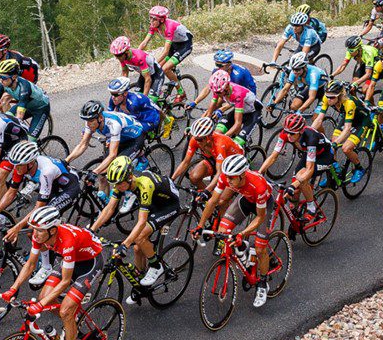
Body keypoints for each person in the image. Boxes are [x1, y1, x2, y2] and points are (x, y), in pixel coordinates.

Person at [0, 207, 105, 340]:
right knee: (44, 298)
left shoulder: (68, 241)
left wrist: (39, 307)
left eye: (39, 230)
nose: (35, 233)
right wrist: (13, 288)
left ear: (53, 230)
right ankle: (73, 321)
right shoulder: (40, 235)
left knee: (64, 311)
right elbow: (31, 264)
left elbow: (65, 281)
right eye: (34, 229)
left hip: (90, 263)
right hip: (70, 260)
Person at [194, 154, 275, 308]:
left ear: (242, 175)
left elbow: (259, 217)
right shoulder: (226, 177)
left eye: (232, 178)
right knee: (223, 231)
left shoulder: (258, 185)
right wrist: (201, 225)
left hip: (264, 204)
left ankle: (263, 283)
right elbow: (213, 201)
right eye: (227, 177)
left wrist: (241, 233)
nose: (228, 180)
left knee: (260, 249)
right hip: (246, 199)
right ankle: (244, 250)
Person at [92, 155, 181, 292]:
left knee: (139, 237)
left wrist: (124, 245)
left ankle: (157, 266)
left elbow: (141, 222)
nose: (116, 187)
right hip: (154, 202)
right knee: (137, 248)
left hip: (168, 206)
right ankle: (140, 281)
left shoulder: (144, 184)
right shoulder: (121, 182)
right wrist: (91, 229)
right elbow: (109, 208)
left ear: (129, 177)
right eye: (115, 184)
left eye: (119, 184)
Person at [0, 140, 78, 229]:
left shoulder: (46, 172)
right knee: (36, 226)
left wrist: (16, 228)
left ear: (30, 163)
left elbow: (39, 207)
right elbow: (11, 193)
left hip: (69, 188)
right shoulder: (21, 167)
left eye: (19, 165)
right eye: (15, 165)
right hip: (53, 184)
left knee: (36, 227)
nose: (15, 168)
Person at [261, 112, 335, 211]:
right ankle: (295, 211)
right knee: (294, 190)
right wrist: (259, 172)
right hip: (308, 153)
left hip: (324, 156)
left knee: (301, 178)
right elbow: (273, 156)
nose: (288, 135)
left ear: (300, 131)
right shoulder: (286, 134)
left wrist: (293, 185)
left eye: (292, 133)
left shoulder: (311, 138)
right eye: (286, 131)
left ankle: (311, 207)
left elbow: (310, 169)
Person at [67, 100, 145, 173]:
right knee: (102, 175)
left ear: (100, 118)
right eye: (87, 120)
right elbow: (82, 145)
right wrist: (65, 161)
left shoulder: (114, 124)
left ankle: (142, 161)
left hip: (135, 138)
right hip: (119, 137)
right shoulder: (90, 121)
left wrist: (95, 172)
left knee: (117, 171)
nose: (87, 124)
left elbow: (112, 155)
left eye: (90, 121)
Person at [174, 116, 244, 191]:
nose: (197, 142)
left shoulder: (220, 144)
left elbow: (219, 172)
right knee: (193, 177)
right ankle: (208, 199)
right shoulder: (195, 140)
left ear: (209, 137)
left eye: (200, 140)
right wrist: (172, 179)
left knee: (222, 200)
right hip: (215, 158)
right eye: (196, 138)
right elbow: (185, 162)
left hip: (232, 161)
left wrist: (207, 191)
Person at [0, 57, 52, 138]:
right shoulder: (2, 85)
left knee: (30, 140)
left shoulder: (24, 88)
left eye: (3, 78)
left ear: (14, 77)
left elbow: (19, 116)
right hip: (26, 105)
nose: (1, 81)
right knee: (4, 121)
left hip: (40, 109)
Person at [142, 5, 194, 99]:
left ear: (161, 20)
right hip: (174, 44)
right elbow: (145, 42)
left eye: (154, 19)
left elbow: (165, 51)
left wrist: (154, 63)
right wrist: (136, 54)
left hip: (185, 45)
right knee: (157, 69)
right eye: (150, 18)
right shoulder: (154, 25)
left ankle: (181, 93)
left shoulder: (169, 27)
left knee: (165, 68)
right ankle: (158, 88)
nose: (151, 21)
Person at [322, 81, 375, 171]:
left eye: (332, 97)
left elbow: (347, 129)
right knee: (332, 142)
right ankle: (334, 169)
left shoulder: (349, 103)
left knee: (346, 148)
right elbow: (319, 118)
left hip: (361, 121)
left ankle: (359, 168)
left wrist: (335, 144)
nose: (328, 99)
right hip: (348, 117)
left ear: (339, 96)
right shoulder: (327, 97)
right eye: (327, 96)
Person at [204, 69, 261, 147]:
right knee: (217, 133)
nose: (217, 94)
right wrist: (201, 125)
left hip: (253, 113)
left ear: (227, 87)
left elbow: (238, 123)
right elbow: (209, 112)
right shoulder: (218, 89)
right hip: (241, 110)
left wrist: (224, 137)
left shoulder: (238, 94)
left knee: (235, 145)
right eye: (215, 92)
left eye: (219, 92)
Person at [273, 51, 328, 117]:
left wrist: (300, 111)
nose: (295, 72)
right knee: (293, 106)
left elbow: (311, 97)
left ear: (304, 67)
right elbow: (285, 89)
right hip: (311, 86)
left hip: (323, 89)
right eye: (293, 69)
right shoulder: (294, 72)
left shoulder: (313, 75)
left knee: (316, 119)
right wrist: (274, 103)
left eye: (297, 70)